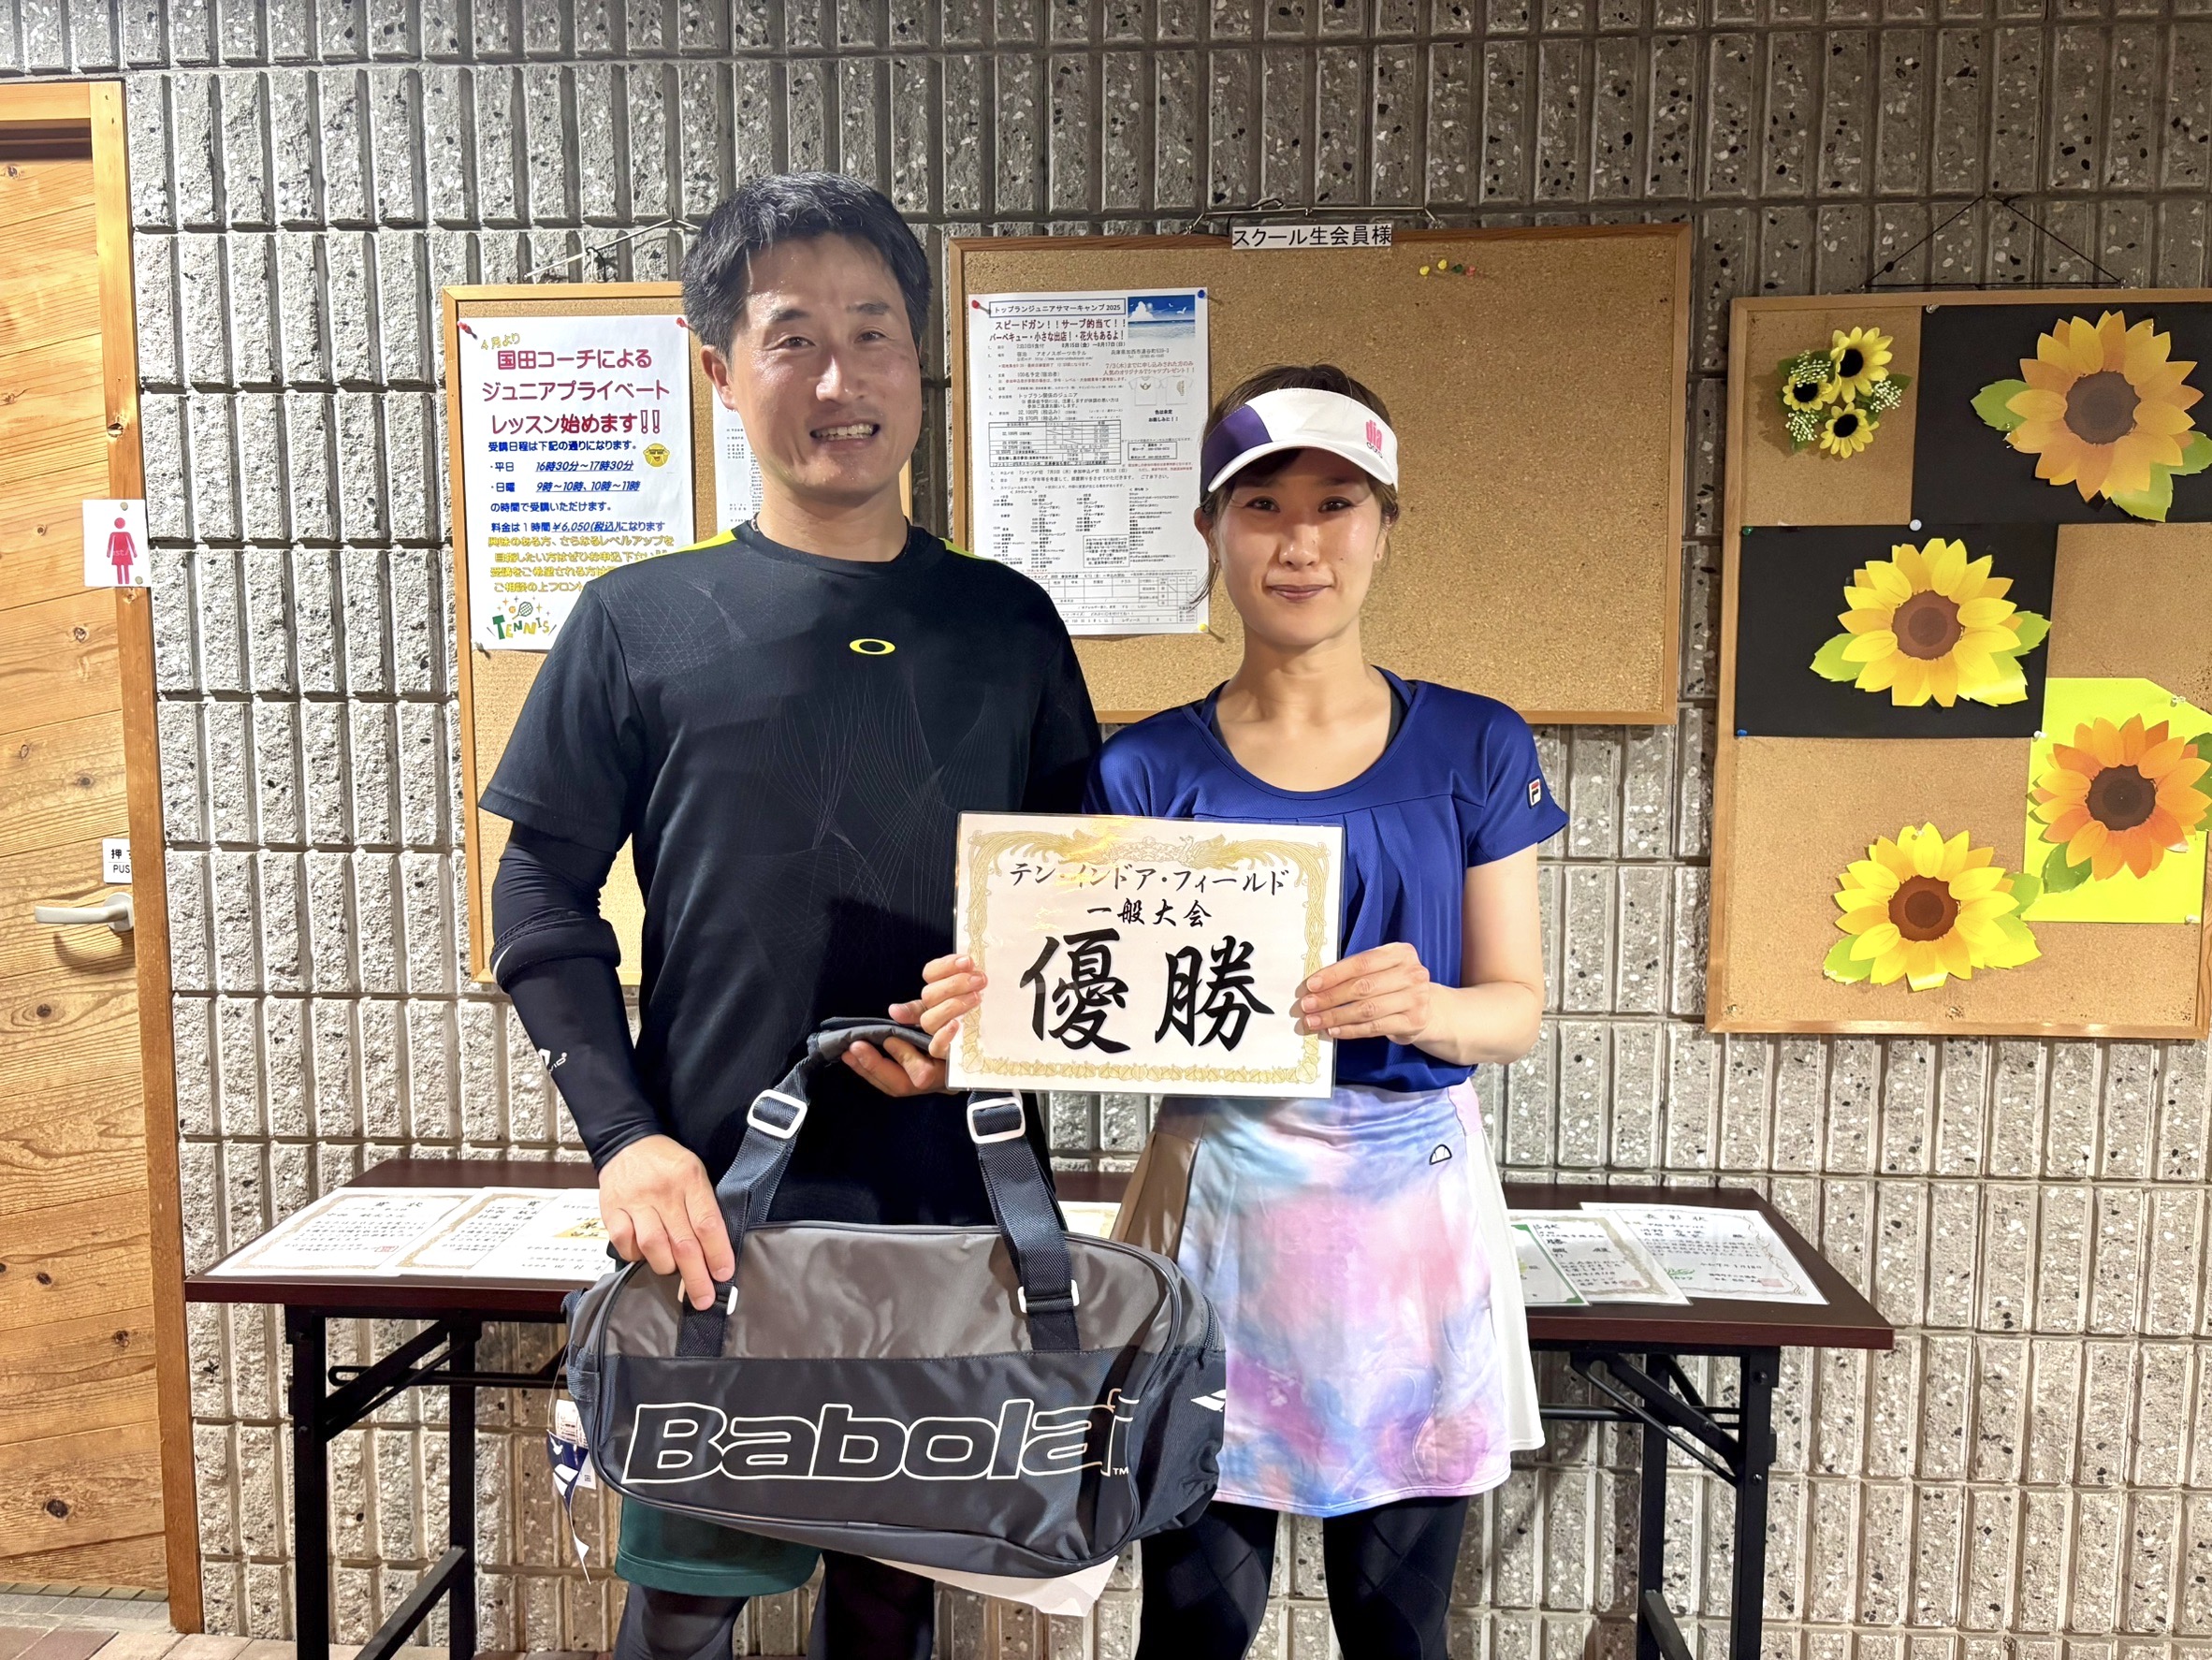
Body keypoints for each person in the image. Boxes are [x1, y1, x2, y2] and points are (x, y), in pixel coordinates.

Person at [482, 172, 1099, 1660]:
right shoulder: (637, 619)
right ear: (719, 370)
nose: (840, 379)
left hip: (948, 1205)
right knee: (685, 1612)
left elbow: (1079, 901)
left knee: (891, 1607)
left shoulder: (1008, 622)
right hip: (716, 1216)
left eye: (875, 332)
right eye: (794, 338)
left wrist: (1004, 1034)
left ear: (922, 363)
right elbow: (538, 891)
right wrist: (624, 1139)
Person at [914, 364, 1562, 1658]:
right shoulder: (1144, 767)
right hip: (1216, 1207)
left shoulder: (1478, 744)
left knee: (1399, 1628)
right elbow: (1086, 991)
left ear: (1386, 526)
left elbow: (1516, 1010)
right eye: (1262, 505)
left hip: (1412, 1231)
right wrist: (987, 1009)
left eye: (1337, 504)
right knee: (1195, 1624)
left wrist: (1430, 1006)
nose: (1300, 542)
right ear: (1210, 529)